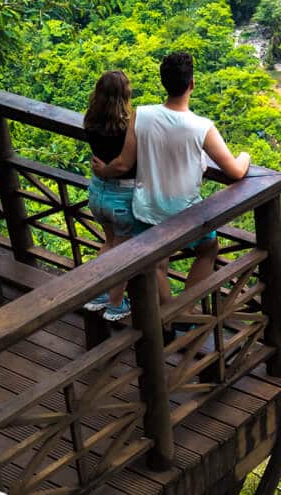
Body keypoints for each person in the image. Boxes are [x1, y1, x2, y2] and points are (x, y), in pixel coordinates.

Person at [91, 51, 251, 308]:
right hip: (184, 213)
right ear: (192, 84)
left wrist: (104, 171)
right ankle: (184, 311)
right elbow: (235, 171)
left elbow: (125, 162)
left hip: (145, 207)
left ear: (163, 82)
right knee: (209, 248)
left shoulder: (140, 115)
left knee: (156, 263)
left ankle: (168, 315)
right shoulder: (202, 126)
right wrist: (245, 155)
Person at [83, 69, 137, 322]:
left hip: (97, 193)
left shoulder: (90, 121)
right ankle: (115, 304)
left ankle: (97, 294)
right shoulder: (127, 128)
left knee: (109, 243)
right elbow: (124, 165)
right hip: (121, 197)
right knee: (122, 254)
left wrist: (103, 170)